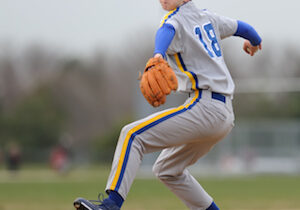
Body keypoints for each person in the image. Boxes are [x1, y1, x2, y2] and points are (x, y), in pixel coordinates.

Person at [74, 0, 262, 209]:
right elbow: (243, 28)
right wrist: (254, 41)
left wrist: (158, 54)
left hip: (205, 106)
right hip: (224, 114)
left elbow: (167, 31)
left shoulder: (175, 20)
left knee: (132, 135)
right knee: (166, 169)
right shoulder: (209, 17)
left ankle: (111, 205)